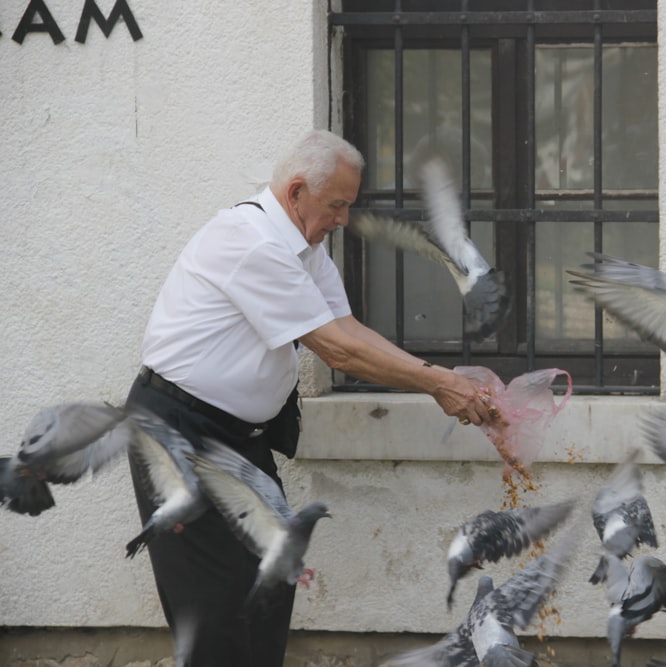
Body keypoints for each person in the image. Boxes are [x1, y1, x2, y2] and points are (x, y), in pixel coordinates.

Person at [126, 129, 498, 667]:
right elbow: (336, 351)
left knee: (270, 583)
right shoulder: (250, 240)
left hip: (235, 442)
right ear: (297, 191)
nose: (344, 219)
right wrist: (440, 383)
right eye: (337, 205)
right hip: (179, 438)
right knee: (215, 607)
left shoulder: (305, 247)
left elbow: (345, 327)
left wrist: (439, 378)